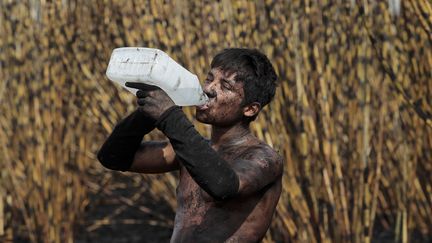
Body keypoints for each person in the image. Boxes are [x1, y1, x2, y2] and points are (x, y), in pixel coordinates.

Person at [97, 48, 284, 242]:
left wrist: (170, 116)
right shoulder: (189, 152)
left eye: (225, 86)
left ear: (250, 109)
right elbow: (112, 157)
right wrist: (147, 112)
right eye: (209, 78)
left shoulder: (265, 159)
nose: (209, 89)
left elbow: (224, 186)